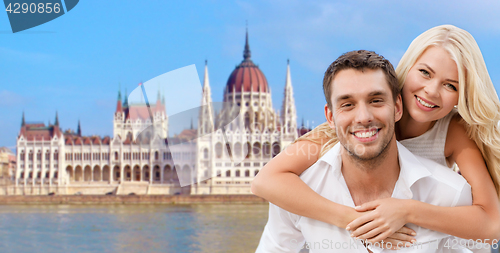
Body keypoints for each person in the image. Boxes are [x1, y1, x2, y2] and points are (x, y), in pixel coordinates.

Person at [252, 25, 500, 251]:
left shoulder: (453, 132)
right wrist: (355, 221)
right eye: (425, 72)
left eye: (451, 86)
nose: (432, 91)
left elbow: (490, 224)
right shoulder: (338, 132)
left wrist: (407, 210)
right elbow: (265, 181)